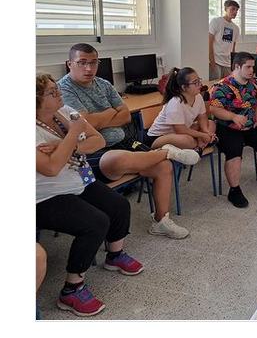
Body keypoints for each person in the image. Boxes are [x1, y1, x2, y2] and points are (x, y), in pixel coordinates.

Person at [58, 44, 199, 239]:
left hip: (122, 141)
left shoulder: (103, 84)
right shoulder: (64, 89)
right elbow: (86, 124)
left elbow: (125, 116)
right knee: (123, 160)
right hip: (93, 151)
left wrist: (99, 118)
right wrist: (110, 112)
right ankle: (166, 151)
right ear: (70, 64)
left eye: (93, 63)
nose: (89, 68)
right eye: (82, 63)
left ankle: (161, 221)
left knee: (164, 167)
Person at [36, 71, 145, 316]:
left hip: (76, 182)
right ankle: (71, 290)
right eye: (52, 92)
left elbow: (97, 141)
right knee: (95, 223)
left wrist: (67, 145)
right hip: (44, 196)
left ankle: (115, 255)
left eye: (57, 88)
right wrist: (73, 134)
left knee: (119, 206)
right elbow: (52, 168)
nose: (59, 93)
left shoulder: (64, 112)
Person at [209, 52, 257, 207]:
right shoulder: (221, 86)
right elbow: (214, 109)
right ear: (237, 67)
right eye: (248, 67)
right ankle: (234, 190)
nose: (252, 70)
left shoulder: (253, 85)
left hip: (249, 127)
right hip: (227, 128)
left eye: (253, 67)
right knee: (235, 152)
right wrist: (233, 116)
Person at [146, 67, 217, 151]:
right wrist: (201, 135)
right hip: (159, 137)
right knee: (188, 140)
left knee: (211, 123)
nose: (200, 84)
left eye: (199, 80)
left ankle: (199, 147)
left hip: (180, 132)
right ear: (184, 87)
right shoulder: (175, 103)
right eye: (195, 83)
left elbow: (202, 116)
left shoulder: (198, 97)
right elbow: (180, 130)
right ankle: (200, 144)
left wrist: (205, 131)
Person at [209, 0, 240, 80]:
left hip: (228, 63)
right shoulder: (216, 21)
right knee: (214, 85)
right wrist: (212, 62)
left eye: (237, 10)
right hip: (216, 62)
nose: (235, 12)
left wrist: (232, 64)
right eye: (233, 9)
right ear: (226, 9)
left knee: (227, 85)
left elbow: (233, 48)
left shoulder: (236, 28)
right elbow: (209, 42)